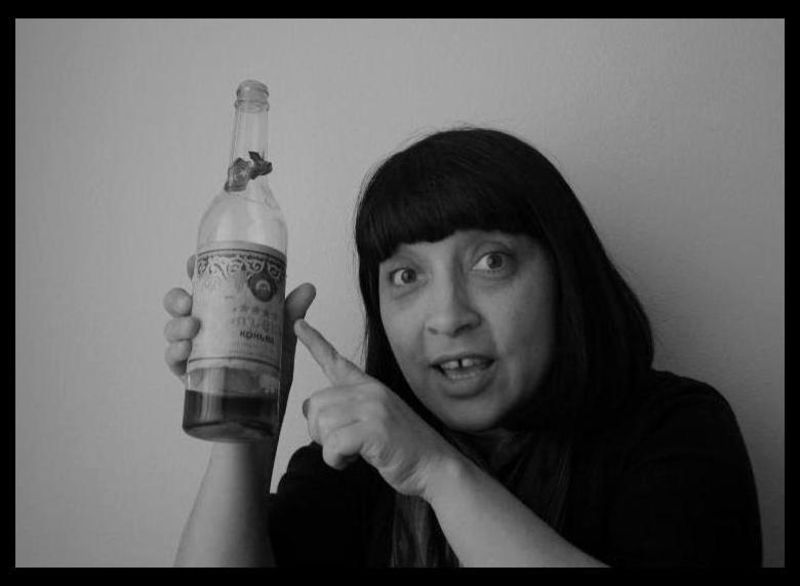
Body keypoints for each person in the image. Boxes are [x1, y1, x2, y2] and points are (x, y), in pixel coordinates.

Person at [163, 127, 762, 567]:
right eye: (406, 276)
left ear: (565, 274)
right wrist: (250, 410)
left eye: (492, 262)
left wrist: (434, 471)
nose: (449, 316)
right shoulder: (354, 467)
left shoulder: (674, 429)